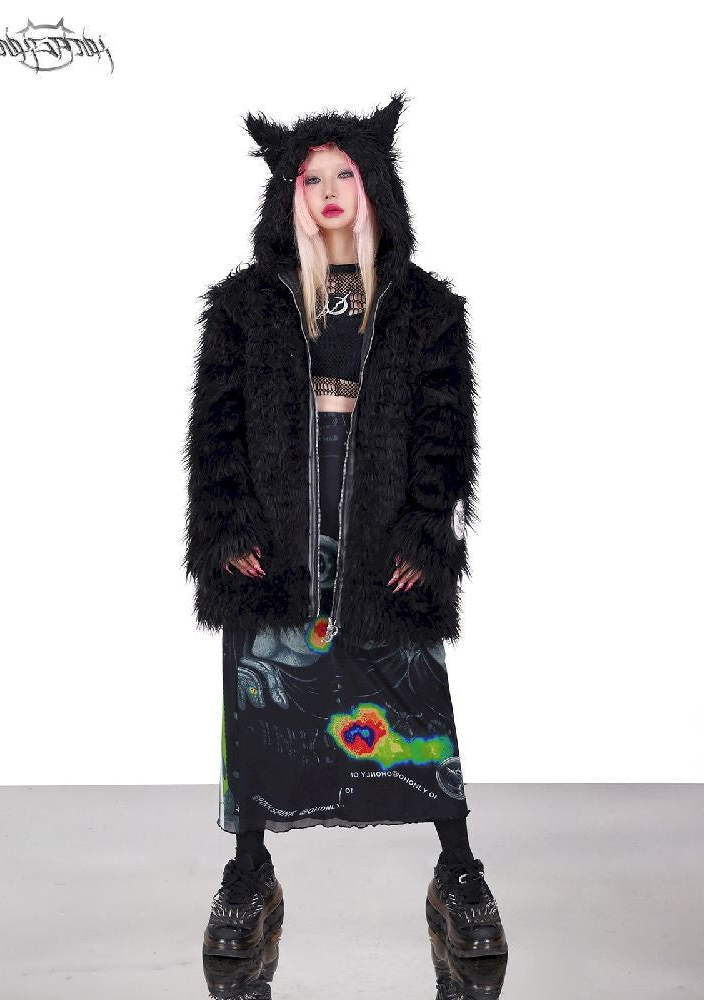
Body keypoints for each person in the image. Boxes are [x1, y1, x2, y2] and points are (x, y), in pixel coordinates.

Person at [185, 92, 507, 962]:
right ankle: (248, 869)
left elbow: (445, 430)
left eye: (345, 174)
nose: (328, 191)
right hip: (279, 519)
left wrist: (424, 530)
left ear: (374, 187)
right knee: (262, 690)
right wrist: (229, 524)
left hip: (380, 518)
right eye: (311, 178)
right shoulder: (246, 306)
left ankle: (458, 869)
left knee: (411, 687)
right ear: (287, 194)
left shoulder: (425, 308)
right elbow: (215, 426)